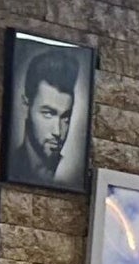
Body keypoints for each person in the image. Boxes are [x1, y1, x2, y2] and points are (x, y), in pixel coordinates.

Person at [8, 47, 86, 187]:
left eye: (65, 118)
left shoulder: (70, 175)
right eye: (48, 113)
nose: (57, 131)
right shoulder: (12, 163)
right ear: (26, 106)